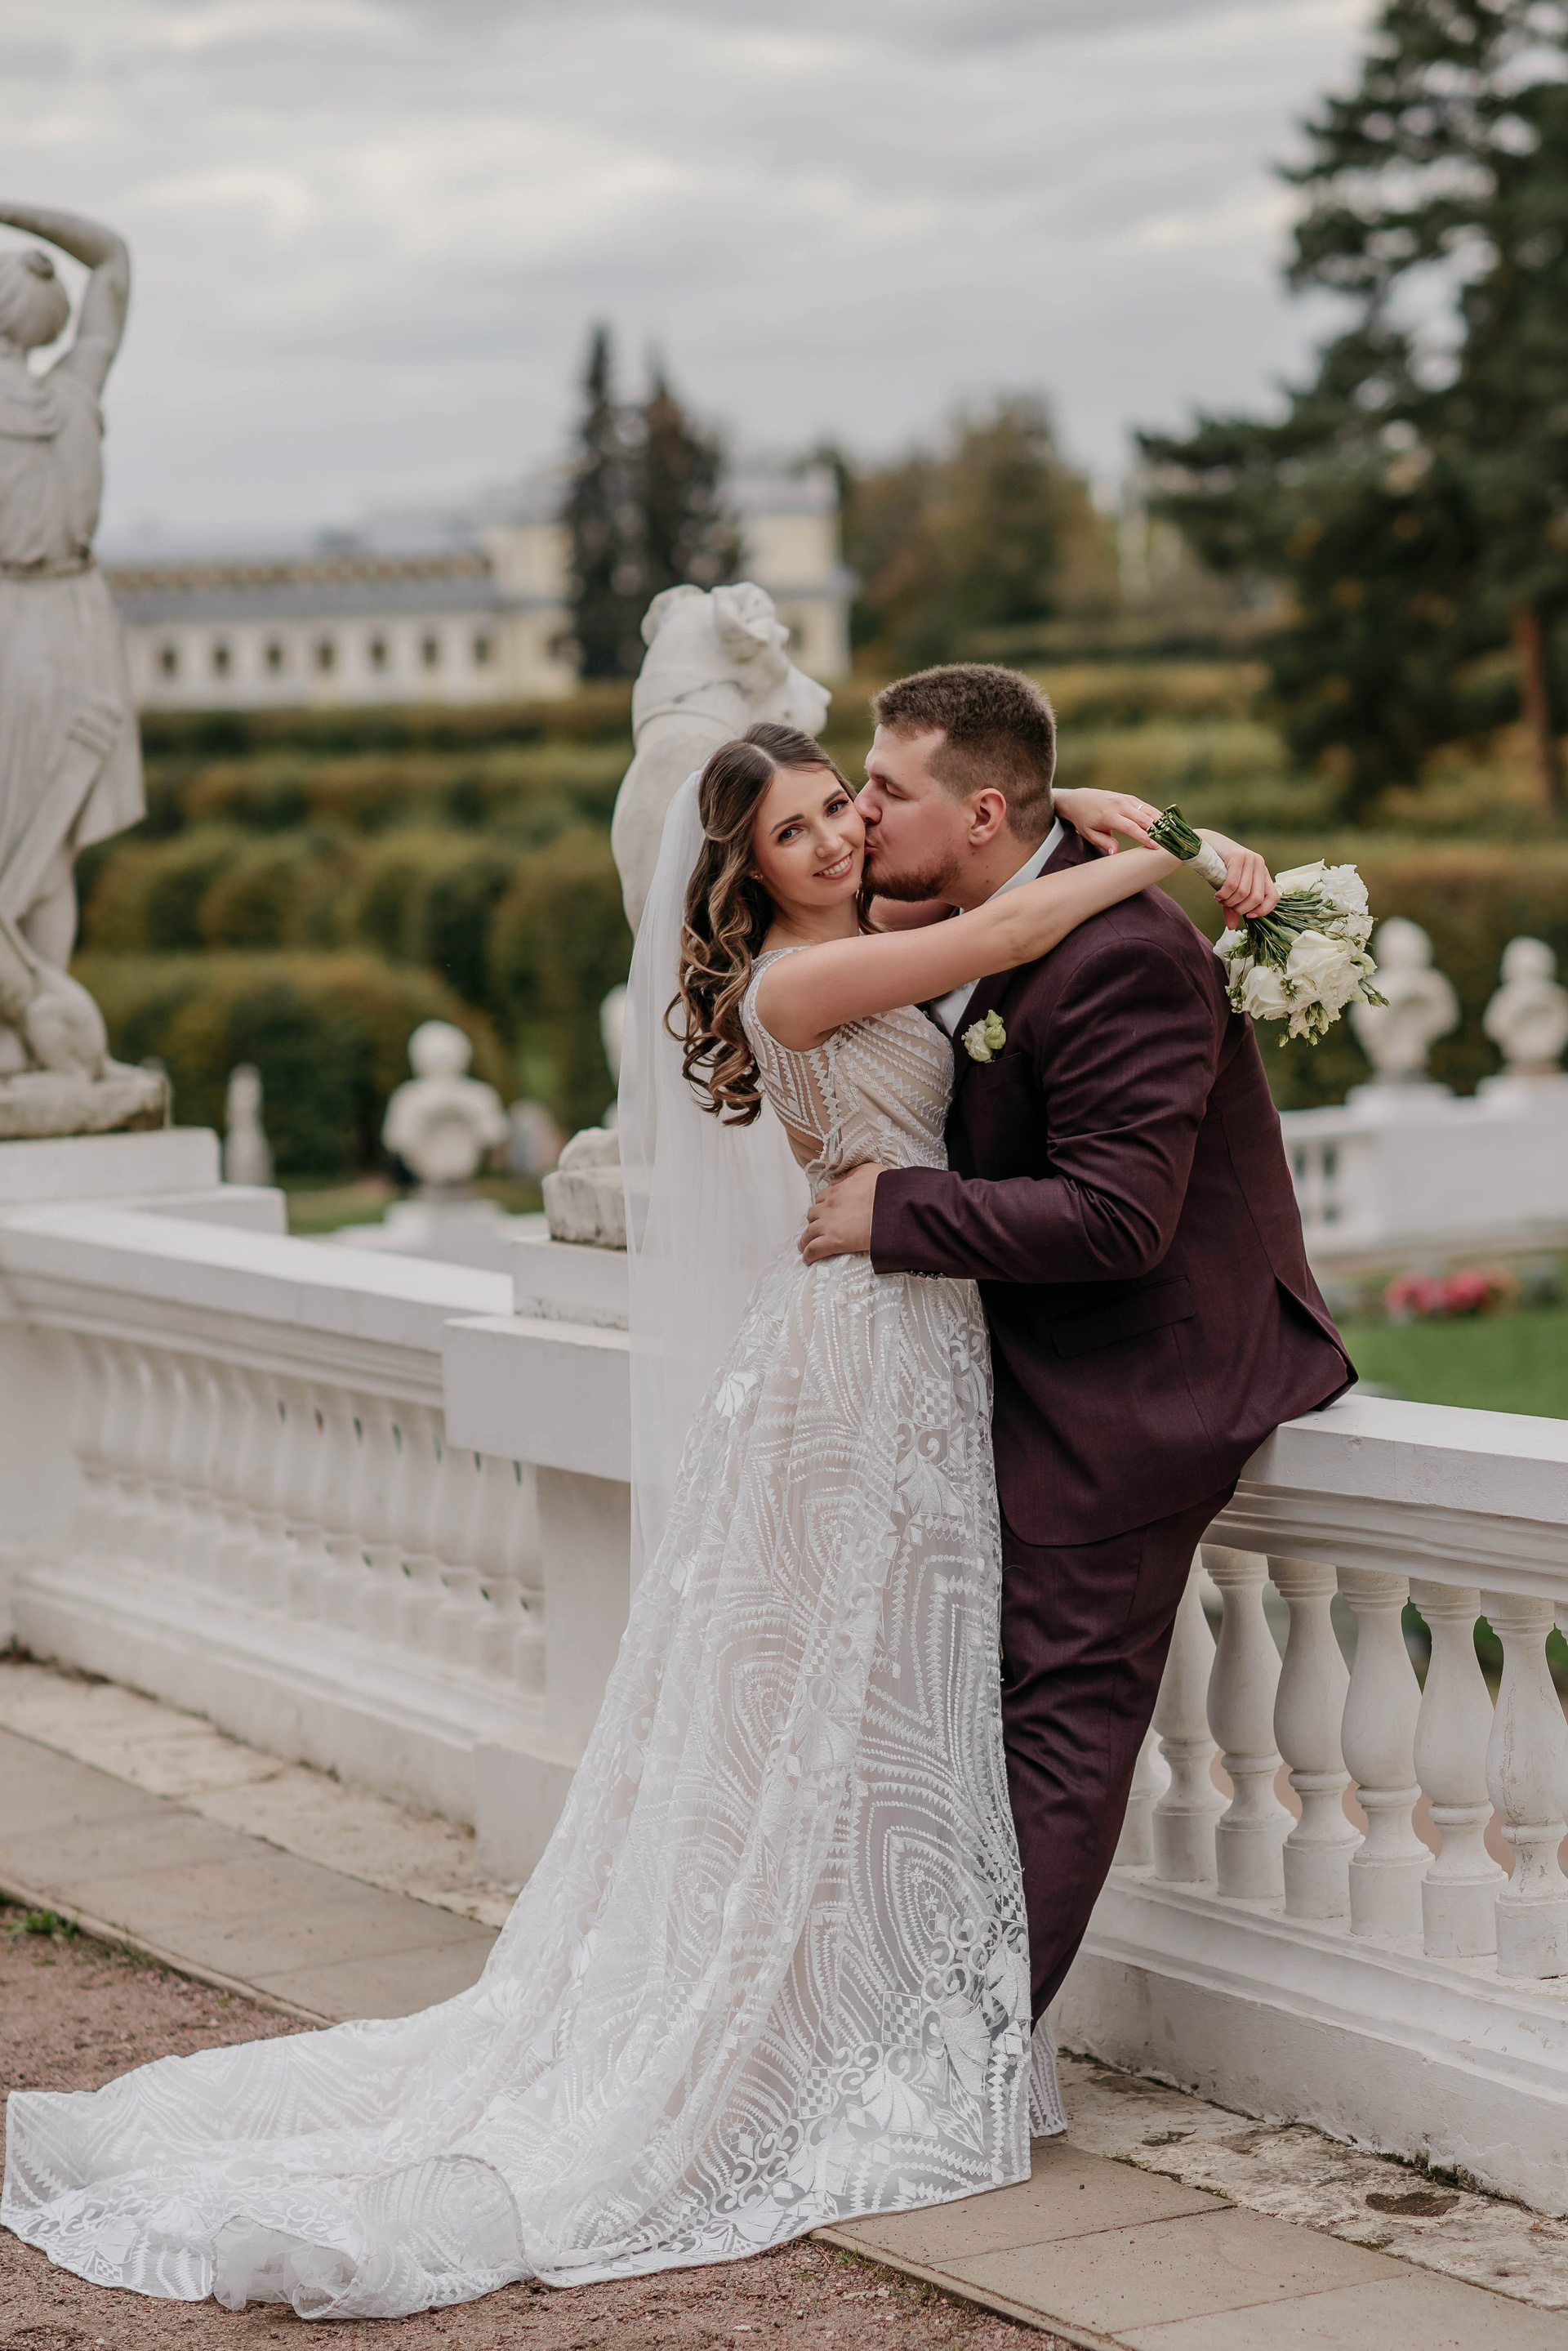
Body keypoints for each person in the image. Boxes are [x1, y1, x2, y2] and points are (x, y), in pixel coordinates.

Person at [0, 714, 1272, 2320]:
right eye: (799, 828)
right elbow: (1011, 926)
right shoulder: (795, 983)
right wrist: (1175, 857)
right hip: (863, 1354)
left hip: (924, 1347)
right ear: (744, 871)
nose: (841, 835)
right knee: (840, 1689)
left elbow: (992, 856)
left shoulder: (875, 921)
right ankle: (817, 2026)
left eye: (848, 805)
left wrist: (1082, 803)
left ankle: (863, 1991)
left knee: (886, 1693)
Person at [800, 665, 1353, 2030]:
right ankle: (900, 2027)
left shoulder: (1125, 955)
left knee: (1059, 1733)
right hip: (1026, 1365)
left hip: (1147, 1383)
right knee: (963, 1714)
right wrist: (1115, 809)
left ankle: (951, 2066)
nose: (861, 813)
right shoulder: (981, 902)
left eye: (886, 790)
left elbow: (1118, 1219)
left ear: (984, 814)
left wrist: (893, 1211)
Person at [0, 203, 141, 968]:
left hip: (6, 623)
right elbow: (111, 257)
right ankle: (43, 995)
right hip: (77, 626)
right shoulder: (76, 394)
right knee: (50, 847)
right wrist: (11, 209)